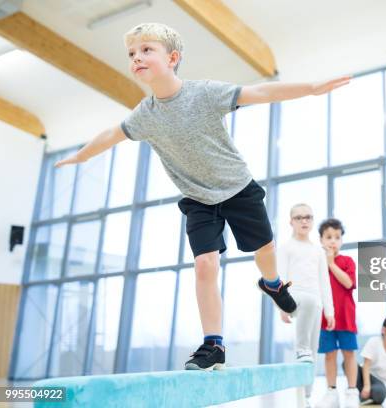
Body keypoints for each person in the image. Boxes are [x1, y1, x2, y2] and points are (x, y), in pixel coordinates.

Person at [55, 22, 350, 371]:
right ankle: (214, 344)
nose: (137, 57)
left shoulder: (204, 93)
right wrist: (82, 156)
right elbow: (110, 134)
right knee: (205, 265)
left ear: (173, 57)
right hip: (197, 198)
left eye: (147, 50)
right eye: (132, 53)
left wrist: (311, 88)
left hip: (238, 187)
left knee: (265, 251)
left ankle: (272, 285)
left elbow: (260, 93)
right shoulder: (145, 115)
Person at [277, 204, 335, 406]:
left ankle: (306, 396)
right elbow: (281, 279)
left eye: (308, 217)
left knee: (313, 349)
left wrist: (330, 310)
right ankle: (301, 348)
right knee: (305, 348)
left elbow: (324, 282)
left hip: (315, 301)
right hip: (294, 297)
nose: (304, 221)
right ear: (291, 222)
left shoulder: (318, 251)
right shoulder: (285, 248)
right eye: (299, 217)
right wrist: (282, 307)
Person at [316, 219, 359, 408]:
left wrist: (331, 264)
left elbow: (348, 283)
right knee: (329, 355)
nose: (333, 241)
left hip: (346, 316)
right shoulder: (316, 263)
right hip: (325, 318)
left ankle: (351, 391)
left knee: (349, 353)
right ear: (321, 240)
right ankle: (331, 391)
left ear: (341, 240)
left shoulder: (347, 261)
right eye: (328, 237)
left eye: (337, 237)